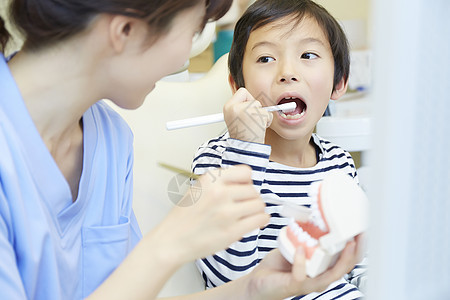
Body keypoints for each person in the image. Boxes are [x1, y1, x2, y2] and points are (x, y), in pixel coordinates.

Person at [0, 0, 363, 299]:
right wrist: (170, 241)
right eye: (191, 31)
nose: (182, 60)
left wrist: (256, 288)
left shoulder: (110, 141)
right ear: (126, 30)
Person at [192, 0, 367, 299]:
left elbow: (354, 261)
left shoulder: (339, 163)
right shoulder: (218, 162)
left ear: (338, 83)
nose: (287, 72)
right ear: (237, 86)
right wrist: (244, 150)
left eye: (308, 55)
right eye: (265, 59)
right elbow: (229, 279)